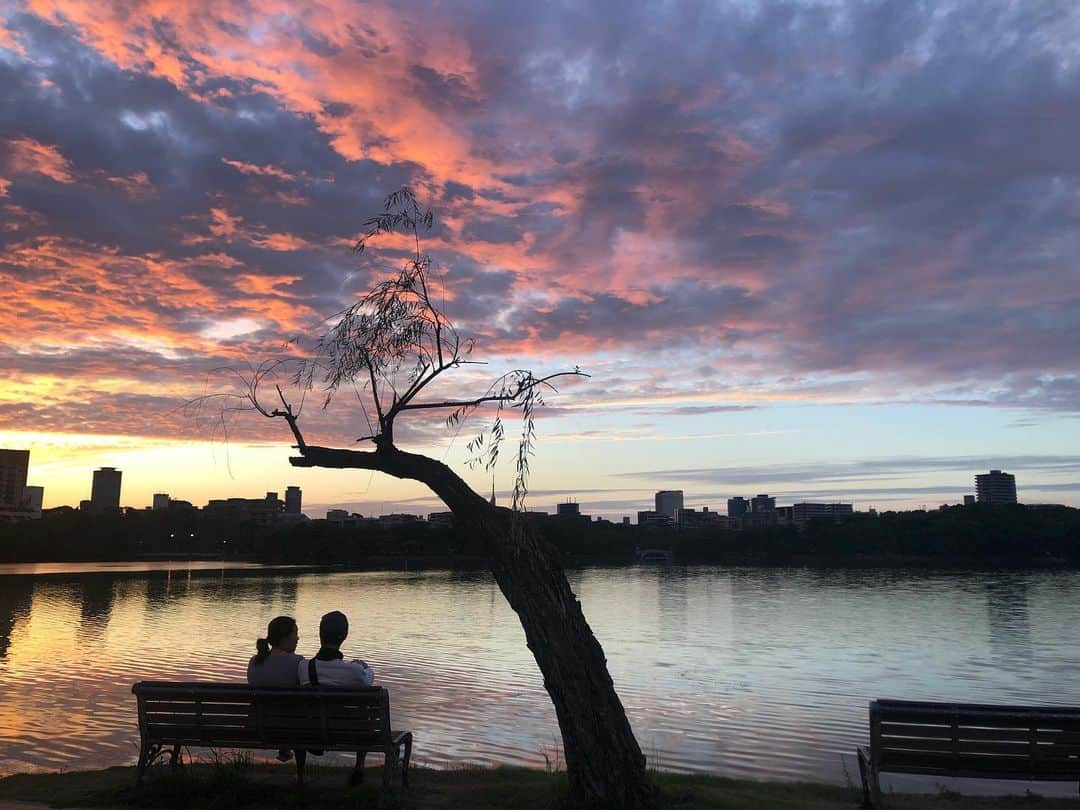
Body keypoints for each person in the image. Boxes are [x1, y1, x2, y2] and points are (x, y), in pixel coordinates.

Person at [247, 615, 304, 762]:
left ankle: (284, 749)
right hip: (289, 728)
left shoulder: (254, 661)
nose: (298, 638)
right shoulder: (298, 662)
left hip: (257, 725)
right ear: (284, 638)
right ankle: (300, 776)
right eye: (295, 633)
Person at [298, 610, 374, 686]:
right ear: (345, 635)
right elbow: (368, 679)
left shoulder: (304, 667)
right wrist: (364, 667)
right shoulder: (354, 671)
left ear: (320, 634)